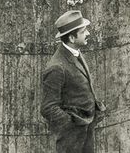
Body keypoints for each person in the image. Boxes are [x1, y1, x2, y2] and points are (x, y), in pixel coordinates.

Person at [41, 10, 106, 153]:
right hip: (71, 138)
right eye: (83, 31)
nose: (88, 33)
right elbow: (48, 108)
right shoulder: (56, 67)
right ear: (71, 38)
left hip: (86, 130)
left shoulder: (75, 53)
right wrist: (72, 125)